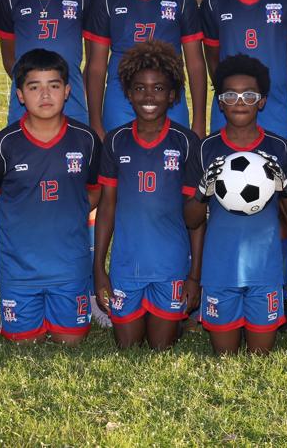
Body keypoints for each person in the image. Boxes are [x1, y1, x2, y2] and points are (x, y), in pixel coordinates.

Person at [198, 0, 287, 324]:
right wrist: (237, 96)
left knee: (278, 205)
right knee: (223, 196)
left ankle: (278, 292)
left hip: (273, 111)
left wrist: (269, 93)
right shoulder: (214, 2)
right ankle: (219, 287)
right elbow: (213, 60)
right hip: (229, 110)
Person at [0, 49, 101, 344]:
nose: (45, 95)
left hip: (69, 266)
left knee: (71, 341)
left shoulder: (86, 140)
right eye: (34, 87)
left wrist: (73, 212)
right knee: (23, 342)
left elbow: (95, 190)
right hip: (20, 269)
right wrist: (12, 218)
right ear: (20, 95)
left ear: (67, 91)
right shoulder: (4, 144)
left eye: (53, 85)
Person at [183, 55, 287, 355]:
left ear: (261, 102)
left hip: (264, 271)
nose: (240, 102)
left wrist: (285, 187)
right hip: (219, 271)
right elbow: (191, 219)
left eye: (249, 96)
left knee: (259, 357)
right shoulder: (205, 149)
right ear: (220, 103)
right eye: (230, 96)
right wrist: (202, 192)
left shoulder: (280, 148)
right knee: (225, 358)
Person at [93, 41, 202, 350]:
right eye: (140, 88)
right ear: (128, 94)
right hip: (127, 266)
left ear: (172, 95)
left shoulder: (186, 142)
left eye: (158, 89)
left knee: (160, 346)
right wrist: (98, 268)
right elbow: (107, 208)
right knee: (128, 346)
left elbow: (196, 216)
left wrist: (194, 276)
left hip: (170, 266)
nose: (149, 96)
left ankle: (178, 319)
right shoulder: (116, 141)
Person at [84, 0, 206, 140]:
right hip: (120, 99)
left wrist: (199, 121)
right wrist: (95, 122)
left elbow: (195, 63)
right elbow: (96, 66)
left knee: (173, 157)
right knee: (120, 156)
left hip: (170, 97)